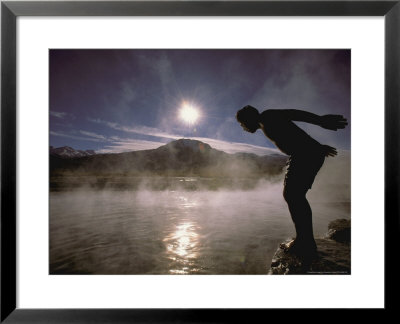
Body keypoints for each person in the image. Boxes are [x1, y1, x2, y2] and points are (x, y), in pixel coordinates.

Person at [236, 105, 348, 260]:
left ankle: (305, 241)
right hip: (305, 153)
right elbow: (296, 134)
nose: (243, 128)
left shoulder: (268, 116)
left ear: (248, 119)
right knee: (293, 195)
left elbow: (295, 114)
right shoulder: (265, 122)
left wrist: (320, 120)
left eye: (242, 124)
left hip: (305, 153)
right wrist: (317, 146)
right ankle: (304, 239)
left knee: (293, 195)